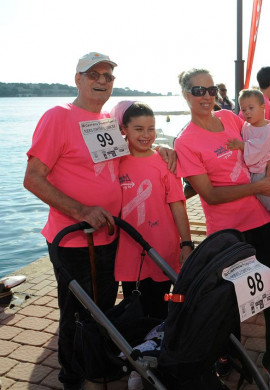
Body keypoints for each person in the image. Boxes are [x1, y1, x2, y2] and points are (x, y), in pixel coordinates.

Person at [23, 52, 174, 389]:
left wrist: (162, 151)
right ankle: (72, 375)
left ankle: (98, 364)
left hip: (107, 237)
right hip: (74, 238)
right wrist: (80, 210)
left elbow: (126, 159)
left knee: (102, 309)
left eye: (108, 76)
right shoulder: (57, 116)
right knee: (76, 313)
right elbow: (33, 178)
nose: (102, 81)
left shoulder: (106, 120)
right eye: (94, 74)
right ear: (78, 78)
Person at [174, 68, 270, 389]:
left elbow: (264, 142)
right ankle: (228, 353)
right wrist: (258, 188)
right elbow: (208, 194)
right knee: (230, 302)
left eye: (210, 89)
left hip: (262, 222)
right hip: (226, 234)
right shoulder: (186, 141)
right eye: (198, 91)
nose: (206, 96)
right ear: (185, 94)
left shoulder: (229, 117)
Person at [111, 101, 192, 320]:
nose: (146, 135)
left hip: (163, 248)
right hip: (129, 250)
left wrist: (186, 243)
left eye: (151, 129)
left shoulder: (165, 163)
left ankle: (159, 346)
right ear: (124, 130)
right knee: (134, 306)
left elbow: (177, 204)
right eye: (138, 129)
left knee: (161, 305)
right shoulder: (115, 163)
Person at [226, 89, 270, 229]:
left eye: (251, 108)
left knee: (257, 186)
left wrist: (241, 145)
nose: (247, 112)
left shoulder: (266, 128)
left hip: (262, 164)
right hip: (256, 164)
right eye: (243, 109)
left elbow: (259, 147)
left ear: (262, 107)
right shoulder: (247, 126)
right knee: (259, 186)